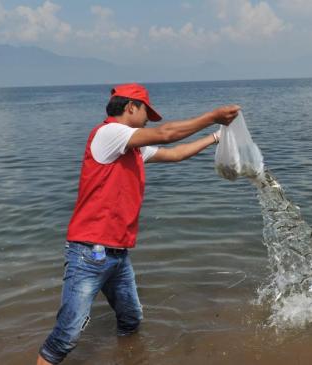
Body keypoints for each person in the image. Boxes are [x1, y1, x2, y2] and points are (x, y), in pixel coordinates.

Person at [37, 83, 240, 364]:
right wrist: (212, 117)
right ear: (130, 107)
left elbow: (176, 153)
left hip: (118, 254)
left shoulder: (132, 149)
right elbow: (166, 134)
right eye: (146, 112)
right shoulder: (109, 133)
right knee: (67, 335)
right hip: (88, 252)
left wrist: (217, 137)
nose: (147, 119)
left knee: (130, 321)